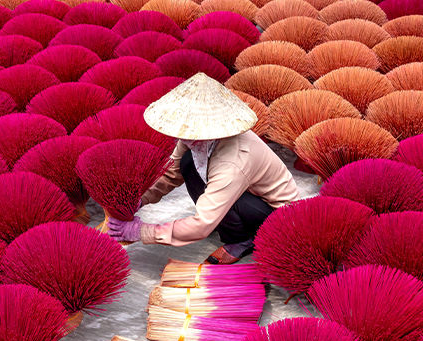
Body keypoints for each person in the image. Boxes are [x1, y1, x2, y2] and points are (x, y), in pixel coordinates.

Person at [107, 73, 299, 264]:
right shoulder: (195, 136)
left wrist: (142, 231)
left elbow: (201, 226)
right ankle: (225, 221)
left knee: (219, 201)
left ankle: (241, 239)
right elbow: (171, 172)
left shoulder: (232, 162)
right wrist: (140, 200)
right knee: (187, 163)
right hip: (247, 195)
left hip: (275, 216)